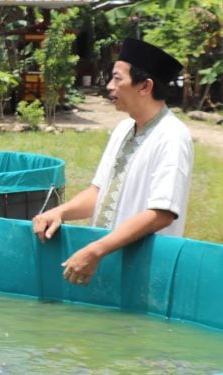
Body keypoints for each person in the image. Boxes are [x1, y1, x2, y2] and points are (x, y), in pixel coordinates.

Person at [32, 38, 193, 286]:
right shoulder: (123, 129)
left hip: (146, 271)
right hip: (109, 261)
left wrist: (96, 249)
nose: (109, 86)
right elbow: (98, 192)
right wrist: (59, 212)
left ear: (145, 86)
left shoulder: (171, 136)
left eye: (117, 78)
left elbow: (162, 213)